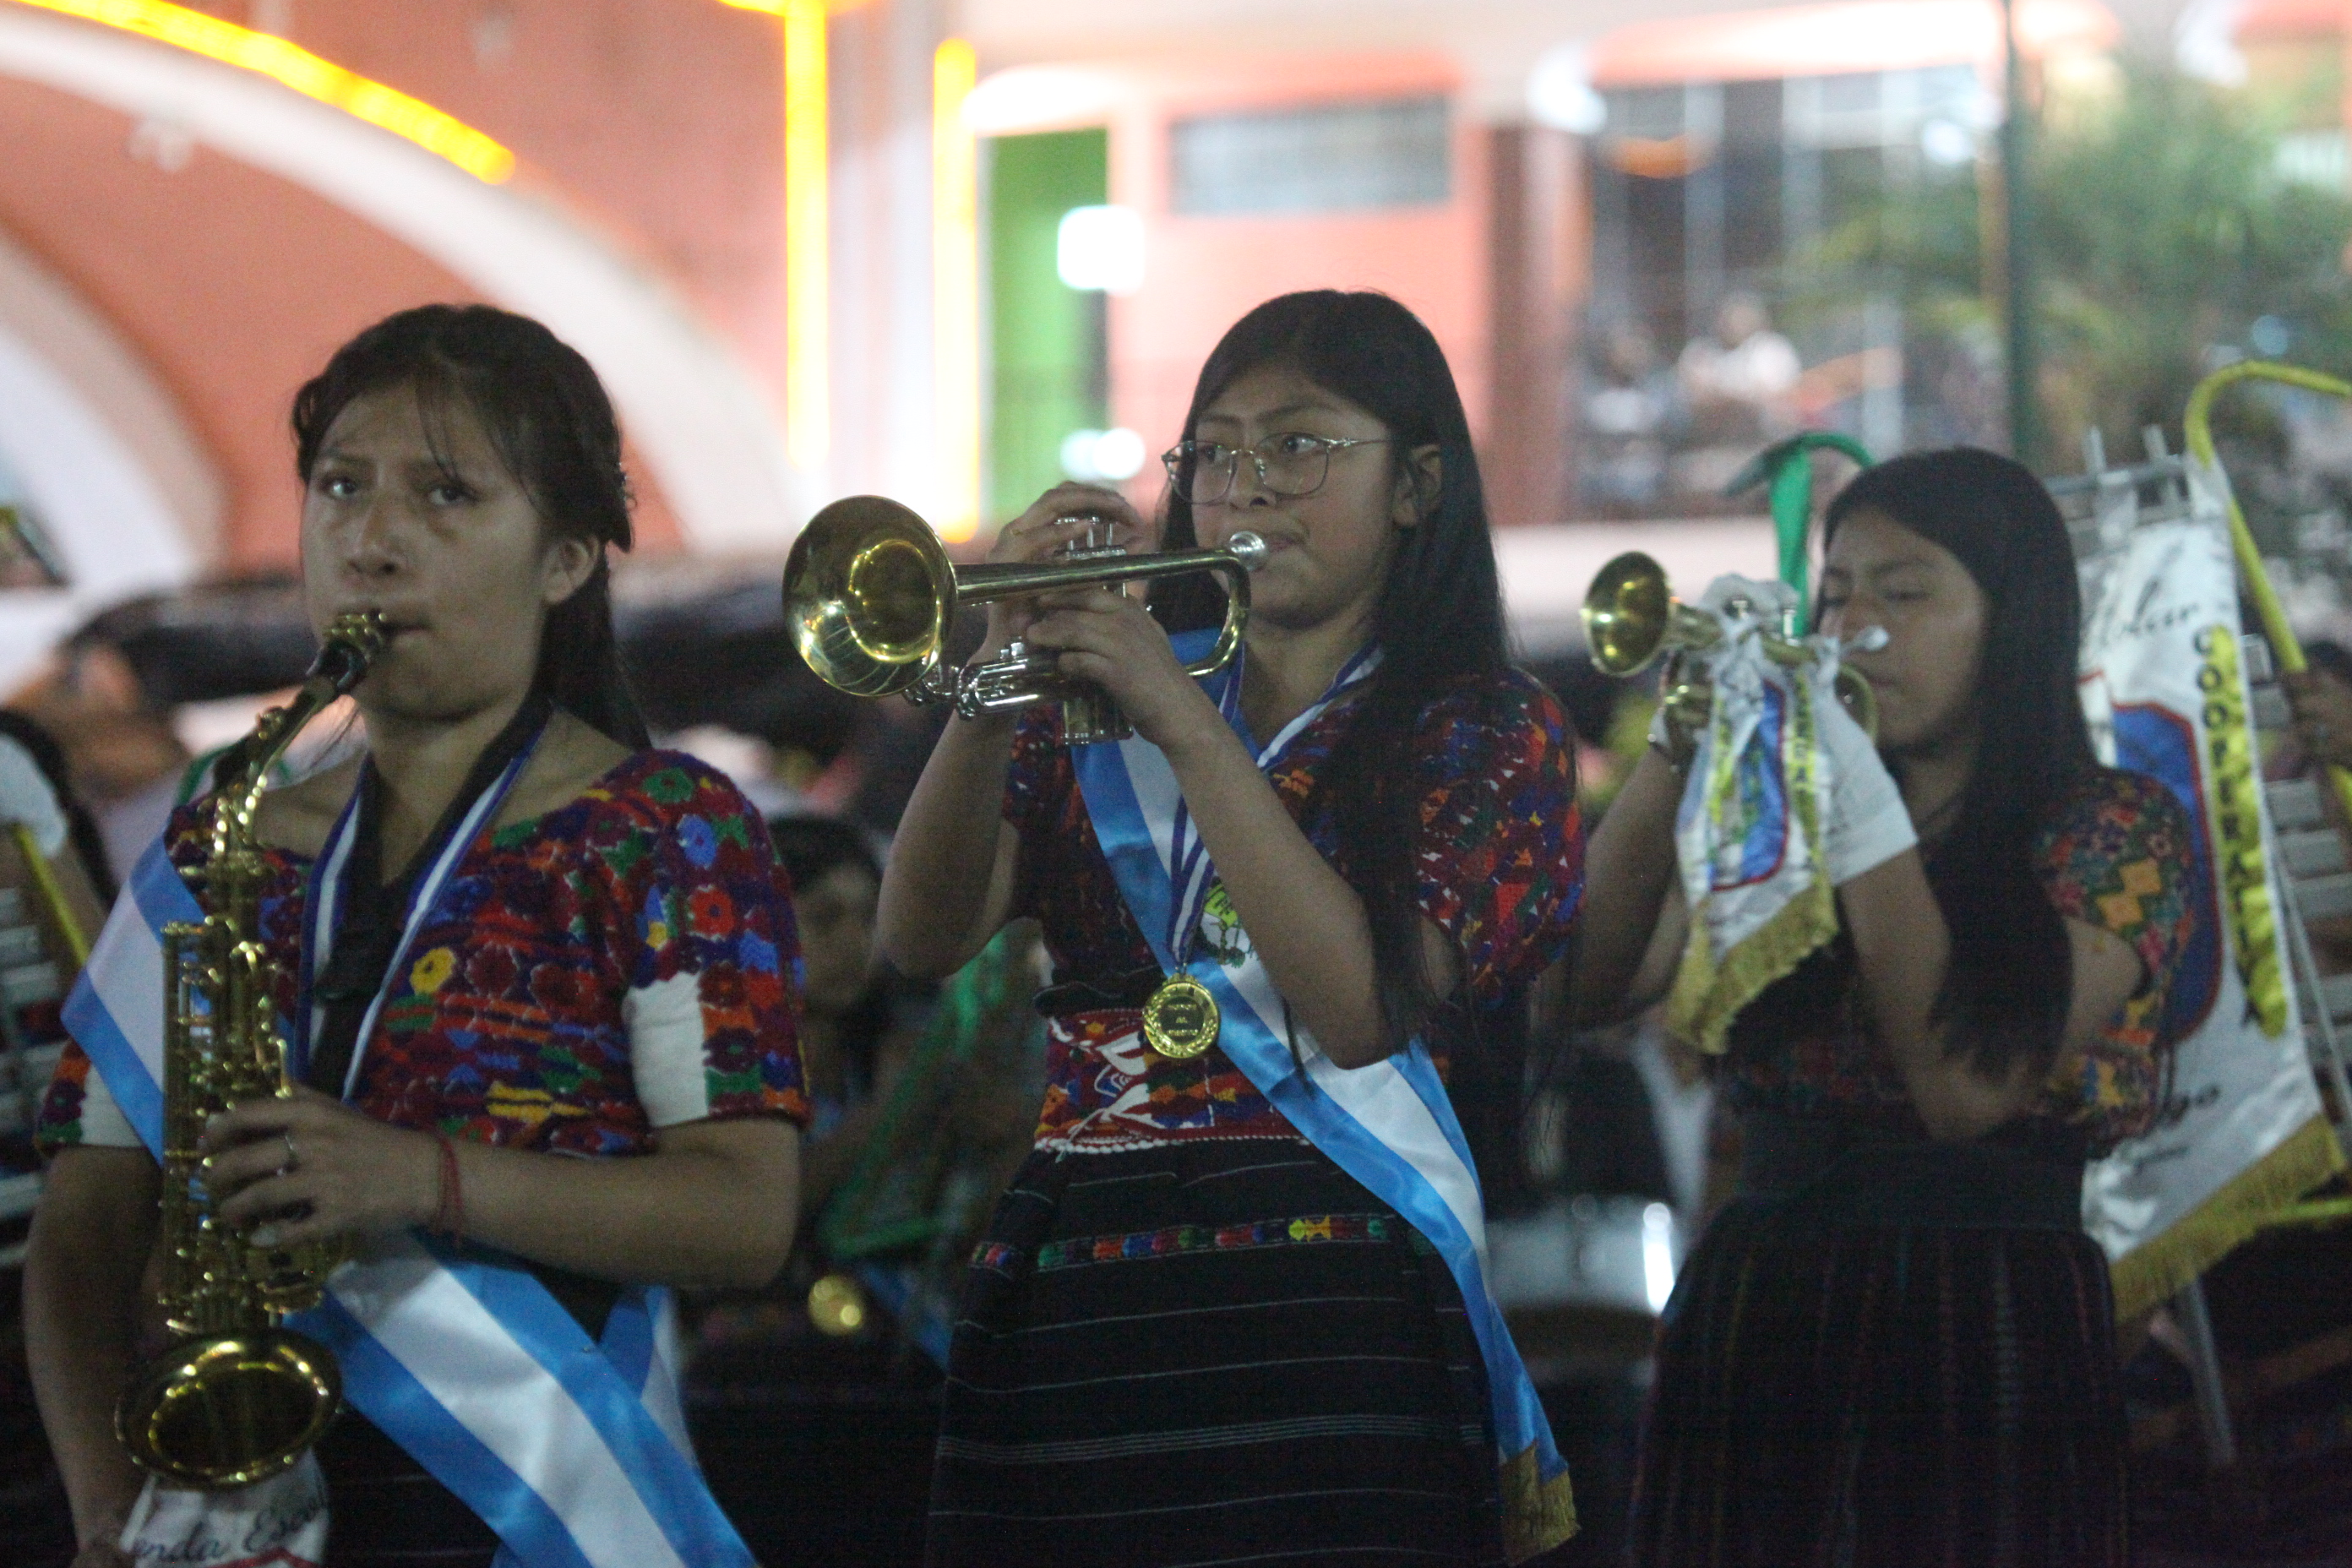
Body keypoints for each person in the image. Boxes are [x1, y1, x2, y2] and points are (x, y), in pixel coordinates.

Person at [24, 304, 807, 1568]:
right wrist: (108, 1512)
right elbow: (83, 1226)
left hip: (544, 1513)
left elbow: (742, 1216)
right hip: (229, 1519)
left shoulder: (665, 832)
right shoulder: (215, 837)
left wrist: (419, 1179)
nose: (372, 543)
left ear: (564, 560)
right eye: (340, 487)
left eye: (446, 495)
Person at [880, 289, 1585, 1566]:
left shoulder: (1485, 725)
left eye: (1300, 446)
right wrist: (992, 679)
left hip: (1339, 1307)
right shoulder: (1094, 701)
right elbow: (919, 938)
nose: (1247, 487)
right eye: (1215, 452)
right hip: (1078, 1288)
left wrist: (1183, 718)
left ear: (1418, 486)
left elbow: (1367, 1007)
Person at [1573, 447, 2197, 1565]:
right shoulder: (1781, 810)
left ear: (2014, 622)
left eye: (1905, 593)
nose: (1857, 622)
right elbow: (1592, 983)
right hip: (1761, 1293)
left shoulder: (2114, 827)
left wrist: (1855, 797)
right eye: (1839, 590)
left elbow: (1967, 1088)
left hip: (1984, 1302)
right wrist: (1680, 737)